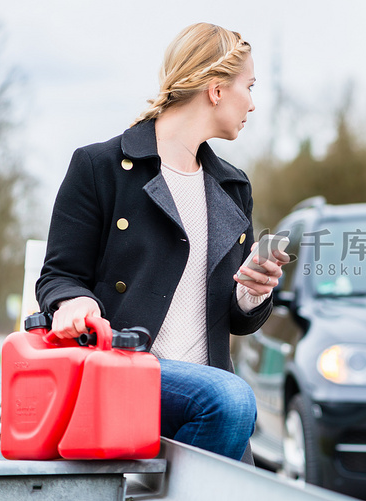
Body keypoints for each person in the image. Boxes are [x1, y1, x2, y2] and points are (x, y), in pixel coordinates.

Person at [35, 22, 288, 463]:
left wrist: (251, 293)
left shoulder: (233, 187)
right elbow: (59, 275)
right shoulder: (99, 167)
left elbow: (235, 320)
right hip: (121, 375)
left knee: (227, 403)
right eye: (248, 86)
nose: (252, 102)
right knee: (231, 400)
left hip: (206, 395)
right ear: (216, 90)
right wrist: (73, 302)